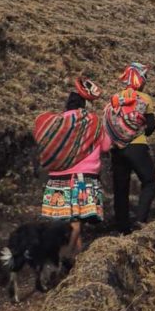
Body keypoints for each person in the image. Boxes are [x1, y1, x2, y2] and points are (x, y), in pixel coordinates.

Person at [41, 80, 110, 256]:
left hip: (58, 178)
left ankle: (76, 257)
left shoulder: (57, 123)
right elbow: (106, 146)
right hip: (83, 178)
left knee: (69, 219)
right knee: (77, 219)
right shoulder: (92, 121)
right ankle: (64, 254)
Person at [111, 62, 155, 234]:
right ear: (140, 80)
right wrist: (141, 133)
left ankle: (122, 227)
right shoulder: (144, 99)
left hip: (116, 147)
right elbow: (151, 125)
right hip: (137, 146)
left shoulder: (116, 97)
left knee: (120, 187)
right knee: (149, 181)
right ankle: (140, 219)